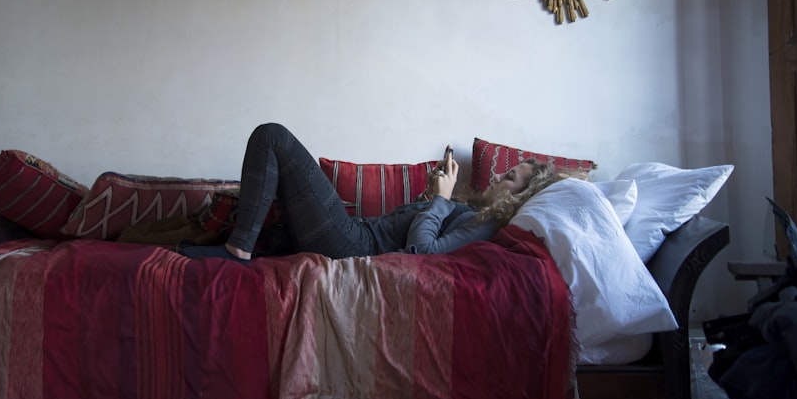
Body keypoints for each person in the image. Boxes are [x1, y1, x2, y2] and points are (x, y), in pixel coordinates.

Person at [181, 122, 562, 263]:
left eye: (509, 178)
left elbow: (422, 254)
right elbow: (416, 231)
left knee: (272, 137)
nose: (497, 176)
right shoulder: (472, 213)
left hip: (352, 245)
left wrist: (442, 201)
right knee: (275, 182)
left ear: (520, 198)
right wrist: (434, 199)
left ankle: (238, 252)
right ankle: (226, 247)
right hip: (351, 232)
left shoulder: (487, 226)